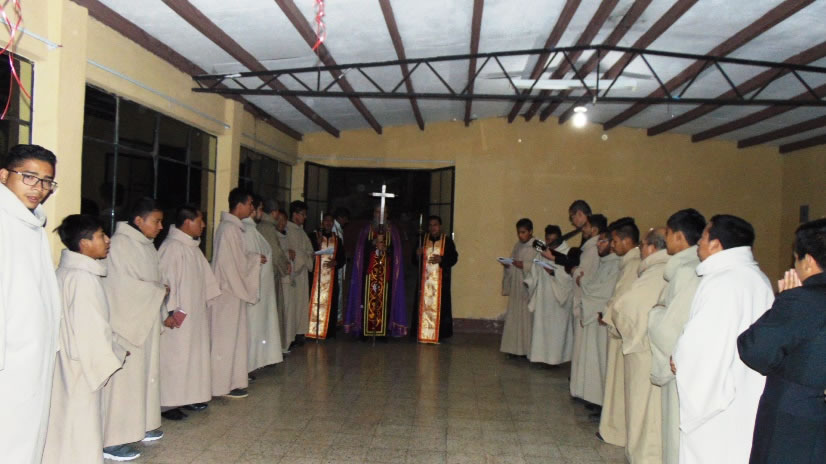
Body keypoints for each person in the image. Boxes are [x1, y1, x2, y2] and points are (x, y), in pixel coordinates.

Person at [672, 215, 774, 464]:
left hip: (718, 398)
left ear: (716, 244)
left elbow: (703, 345)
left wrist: (679, 358)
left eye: (703, 237)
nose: (698, 242)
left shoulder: (723, 282)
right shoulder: (757, 278)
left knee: (712, 452)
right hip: (745, 391)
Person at [738, 218, 826, 464]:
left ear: (808, 261)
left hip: (798, 420)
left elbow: (754, 351)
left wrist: (784, 302)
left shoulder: (801, 301)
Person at [43, 215, 127, 463]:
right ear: (84, 243)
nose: (108, 240)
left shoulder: (67, 271)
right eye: (101, 236)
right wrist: (115, 352)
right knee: (82, 422)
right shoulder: (83, 278)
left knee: (66, 419)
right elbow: (91, 331)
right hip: (82, 365)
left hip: (68, 361)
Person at [0, 144, 61, 464]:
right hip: (10, 357)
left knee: (26, 434)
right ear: (3, 175)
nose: (39, 188)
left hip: (32, 354)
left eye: (47, 181)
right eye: (29, 177)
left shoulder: (30, 223)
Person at [102, 198, 168, 460]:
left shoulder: (146, 245)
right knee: (125, 383)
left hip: (144, 319)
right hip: (127, 324)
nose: (160, 227)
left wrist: (160, 297)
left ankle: (142, 426)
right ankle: (113, 440)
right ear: (139, 220)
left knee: (145, 377)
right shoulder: (121, 245)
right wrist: (158, 291)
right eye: (156, 221)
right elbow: (121, 287)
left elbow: (152, 282)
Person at [648, 208, 705, 464]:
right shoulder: (690, 268)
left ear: (680, 237)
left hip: (678, 361)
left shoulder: (687, 271)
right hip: (686, 359)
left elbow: (670, 326)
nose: (666, 239)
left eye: (669, 233)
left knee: (675, 431)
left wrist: (655, 314)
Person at [157, 205, 221, 421]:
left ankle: (189, 396)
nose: (203, 225)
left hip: (195, 314)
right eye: (200, 221)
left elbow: (205, 279)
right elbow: (165, 281)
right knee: (176, 358)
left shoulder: (192, 247)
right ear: (187, 222)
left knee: (192, 358)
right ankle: (168, 403)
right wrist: (169, 311)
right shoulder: (172, 248)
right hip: (178, 316)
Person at [612, 228, 669, 464]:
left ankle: (644, 455)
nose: (640, 249)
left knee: (645, 408)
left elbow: (628, 306)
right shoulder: (664, 269)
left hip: (644, 349)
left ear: (653, 248)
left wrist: (617, 320)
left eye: (643, 245)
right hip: (653, 347)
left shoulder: (656, 271)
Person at [210, 188, 264, 399]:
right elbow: (228, 266)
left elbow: (238, 259)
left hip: (234, 292)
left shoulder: (234, 228)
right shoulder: (228, 229)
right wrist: (252, 264)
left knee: (235, 339)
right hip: (227, 292)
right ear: (239, 204)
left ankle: (232, 381)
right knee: (225, 340)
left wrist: (254, 258)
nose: (252, 208)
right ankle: (220, 385)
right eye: (250, 204)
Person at [598, 217, 642, 440]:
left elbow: (624, 301)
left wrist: (608, 315)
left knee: (618, 383)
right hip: (619, 327)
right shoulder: (629, 262)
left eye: (614, 241)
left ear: (626, 240)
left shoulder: (634, 264)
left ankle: (617, 430)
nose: (612, 246)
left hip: (622, 331)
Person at [571, 215, 620, 407]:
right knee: (592, 360)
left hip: (600, 317)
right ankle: (594, 399)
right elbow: (593, 286)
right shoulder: (605, 262)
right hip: (593, 314)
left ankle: (600, 402)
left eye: (603, 241)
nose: (598, 244)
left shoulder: (616, 264)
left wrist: (580, 280)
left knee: (600, 361)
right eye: (599, 241)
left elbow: (602, 292)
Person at [344, 205, 408, 338]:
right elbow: (360, 251)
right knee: (365, 302)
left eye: (383, 212)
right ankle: (364, 330)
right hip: (367, 274)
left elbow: (397, 253)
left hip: (387, 274)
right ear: (374, 213)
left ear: (387, 215)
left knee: (386, 302)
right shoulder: (366, 230)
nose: (380, 214)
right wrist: (372, 244)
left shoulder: (393, 231)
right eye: (378, 212)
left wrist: (386, 248)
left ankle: (383, 331)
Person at [244, 195, 283, 372]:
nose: (261, 212)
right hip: (254, 288)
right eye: (259, 209)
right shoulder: (247, 230)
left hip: (263, 286)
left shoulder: (254, 230)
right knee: (252, 326)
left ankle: (257, 360)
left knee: (261, 326)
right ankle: (249, 364)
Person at [526, 225, 573, 365]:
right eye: (548, 239)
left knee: (556, 331)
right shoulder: (543, 251)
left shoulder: (567, 253)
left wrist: (553, 272)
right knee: (542, 328)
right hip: (543, 297)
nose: (550, 243)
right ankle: (540, 358)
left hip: (558, 299)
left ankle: (555, 360)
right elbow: (534, 269)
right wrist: (530, 281)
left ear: (560, 238)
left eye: (553, 240)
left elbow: (570, 275)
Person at [414, 215, 459, 343]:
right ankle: (422, 332)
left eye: (435, 225)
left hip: (440, 281)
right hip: (424, 281)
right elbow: (414, 261)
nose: (433, 228)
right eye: (430, 225)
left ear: (440, 226)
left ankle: (440, 334)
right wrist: (417, 254)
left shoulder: (447, 241)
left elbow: (454, 258)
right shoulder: (422, 240)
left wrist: (442, 259)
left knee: (441, 306)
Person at [257, 200, 292, 353]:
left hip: (267, 275)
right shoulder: (267, 228)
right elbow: (275, 253)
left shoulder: (263, 226)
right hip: (269, 276)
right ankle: (270, 351)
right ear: (275, 212)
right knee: (271, 315)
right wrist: (285, 266)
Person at [500, 218, 536, 356]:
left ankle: (527, 350)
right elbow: (513, 262)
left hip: (528, 288)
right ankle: (514, 349)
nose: (520, 235)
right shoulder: (518, 246)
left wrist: (523, 265)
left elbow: (538, 265)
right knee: (515, 318)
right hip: (517, 286)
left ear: (530, 231)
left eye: (523, 232)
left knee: (526, 319)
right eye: (519, 232)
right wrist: (508, 264)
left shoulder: (537, 245)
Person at [307, 212, 345, 339]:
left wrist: (336, 262)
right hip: (315, 277)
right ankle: (312, 331)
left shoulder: (337, 239)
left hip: (331, 278)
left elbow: (342, 258)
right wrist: (316, 244)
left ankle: (328, 332)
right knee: (314, 302)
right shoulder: (313, 236)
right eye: (326, 221)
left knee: (330, 304)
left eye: (330, 221)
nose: (328, 223)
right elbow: (308, 252)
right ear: (321, 222)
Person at [285, 201, 314, 345]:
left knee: (301, 305)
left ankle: (299, 332)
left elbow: (309, 250)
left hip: (302, 273)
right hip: (293, 274)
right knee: (293, 306)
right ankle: (291, 335)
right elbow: (291, 252)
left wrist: (308, 256)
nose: (305, 217)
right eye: (303, 214)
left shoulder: (301, 231)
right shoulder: (287, 230)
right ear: (295, 214)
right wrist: (303, 258)